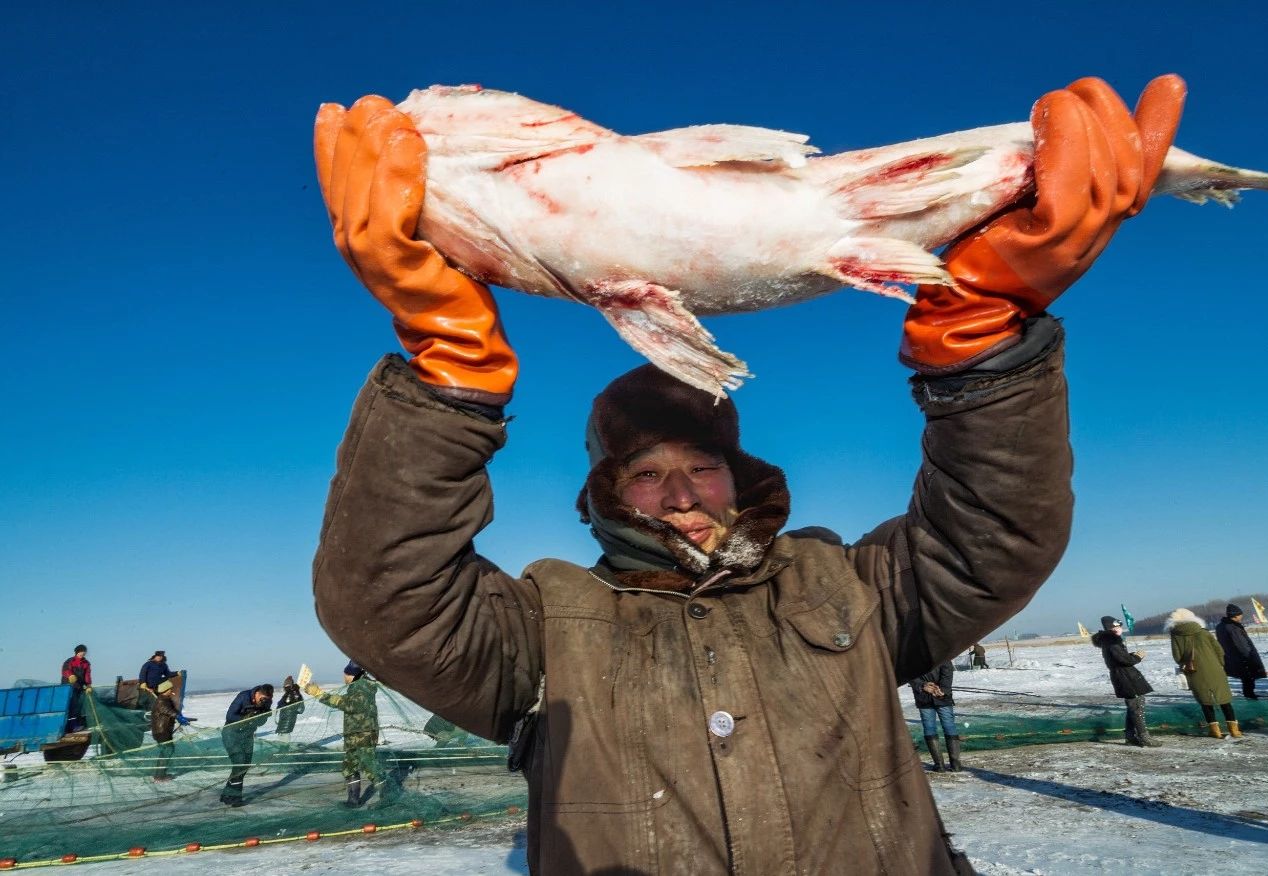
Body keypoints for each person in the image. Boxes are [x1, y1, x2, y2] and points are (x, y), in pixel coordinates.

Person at [311, 75, 1184, 874]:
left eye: (702, 465)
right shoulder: (542, 631)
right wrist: (448, 374)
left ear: (741, 475)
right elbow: (382, 592)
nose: (682, 491)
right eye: (646, 473)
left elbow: (993, 535)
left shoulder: (848, 587)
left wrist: (984, 350)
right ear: (605, 490)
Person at [304, 660, 383, 807]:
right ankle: (353, 800)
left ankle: (388, 796)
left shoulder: (363, 687)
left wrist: (319, 694)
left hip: (363, 735)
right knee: (350, 767)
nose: (344, 677)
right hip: (353, 735)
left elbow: (349, 704)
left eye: (345, 674)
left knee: (370, 767)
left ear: (352, 675)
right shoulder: (356, 687)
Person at [1167, 609, 1240, 738]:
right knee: (1224, 700)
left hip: (1194, 672)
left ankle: (1215, 731)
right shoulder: (1204, 632)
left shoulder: (1175, 636)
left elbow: (1177, 657)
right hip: (1215, 669)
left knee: (1205, 702)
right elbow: (1219, 651)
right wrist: (1220, 664)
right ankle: (1234, 730)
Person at [1091, 615, 1160, 747]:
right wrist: (1137, 656)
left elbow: (1120, 657)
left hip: (1124, 675)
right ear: (1108, 628)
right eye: (1114, 627)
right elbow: (1124, 660)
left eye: (1119, 626)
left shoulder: (1110, 640)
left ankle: (1130, 736)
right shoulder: (1112, 641)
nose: (1118, 629)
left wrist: (1131, 655)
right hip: (1125, 677)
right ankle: (1144, 737)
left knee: (1133, 707)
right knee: (1137, 707)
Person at [219, 683, 274, 806]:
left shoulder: (266, 702)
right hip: (231, 733)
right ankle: (235, 798)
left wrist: (264, 714)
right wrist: (246, 717)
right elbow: (230, 715)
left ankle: (227, 794)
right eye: (263, 698)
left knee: (245, 766)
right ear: (258, 693)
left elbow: (260, 723)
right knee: (239, 764)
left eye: (268, 699)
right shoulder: (243, 697)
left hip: (247, 736)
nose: (264, 701)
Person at [909, 662, 962, 771]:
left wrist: (942, 689)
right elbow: (910, 674)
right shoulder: (938, 650)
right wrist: (923, 686)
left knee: (944, 726)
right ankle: (944, 764)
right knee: (939, 727)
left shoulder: (913, 654)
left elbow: (947, 669)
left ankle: (946, 764)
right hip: (926, 697)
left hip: (937, 696)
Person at [1215, 603, 1267, 700]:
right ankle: (1250, 695)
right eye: (1240, 614)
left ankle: (1249, 693)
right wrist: (1249, 656)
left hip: (1231, 657)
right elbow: (1241, 644)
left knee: (1246, 677)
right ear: (1235, 615)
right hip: (1241, 658)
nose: (1241, 616)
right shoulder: (1233, 627)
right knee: (1248, 677)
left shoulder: (1221, 626)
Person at [150, 678, 192, 782]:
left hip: (164, 730)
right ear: (166, 689)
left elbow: (172, 710)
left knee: (166, 751)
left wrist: (179, 716)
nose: (171, 690)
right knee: (167, 750)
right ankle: (159, 776)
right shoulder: (161, 700)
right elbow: (167, 710)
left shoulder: (166, 699)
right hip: (161, 731)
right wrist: (178, 717)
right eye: (170, 688)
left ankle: (159, 774)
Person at [60, 644, 92, 731]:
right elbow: (65, 670)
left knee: (78, 706)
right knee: (71, 705)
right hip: (68, 687)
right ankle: (71, 726)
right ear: (77, 652)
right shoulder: (70, 661)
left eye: (84, 652)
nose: (83, 653)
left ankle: (77, 724)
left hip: (78, 687)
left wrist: (88, 685)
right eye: (81, 651)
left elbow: (87, 675)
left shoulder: (86, 663)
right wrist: (70, 675)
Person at [275, 675, 305, 742]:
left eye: (288, 686)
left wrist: (291, 708)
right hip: (281, 725)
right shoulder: (286, 695)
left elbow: (300, 709)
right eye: (285, 686)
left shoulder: (296, 694)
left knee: (284, 745)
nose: (286, 687)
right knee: (281, 745)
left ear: (291, 686)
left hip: (287, 726)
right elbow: (280, 704)